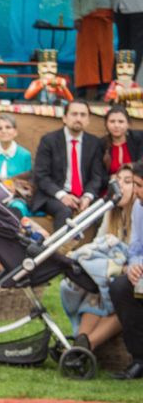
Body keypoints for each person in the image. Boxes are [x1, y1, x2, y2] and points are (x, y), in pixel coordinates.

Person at [60, 164, 134, 352]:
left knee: (123, 299)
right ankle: (80, 343)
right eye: (118, 181)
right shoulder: (111, 213)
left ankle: (86, 346)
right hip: (114, 276)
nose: (121, 186)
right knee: (96, 292)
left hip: (133, 277)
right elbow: (99, 246)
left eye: (128, 182)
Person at [31, 100, 105, 229]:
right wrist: (62, 195)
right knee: (64, 211)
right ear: (64, 118)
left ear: (88, 120)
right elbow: (41, 176)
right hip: (54, 195)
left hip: (83, 195)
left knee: (103, 209)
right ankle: (59, 249)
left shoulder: (94, 143)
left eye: (83, 115)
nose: (78, 118)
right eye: (74, 114)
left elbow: (96, 176)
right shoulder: (49, 141)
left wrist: (87, 196)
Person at [109, 159, 143, 380]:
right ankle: (140, 358)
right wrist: (133, 266)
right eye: (137, 185)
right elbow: (136, 245)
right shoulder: (139, 207)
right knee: (121, 287)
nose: (136, 192)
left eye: (140, 185)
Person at [72, 0, 114, 100]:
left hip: (107, 17)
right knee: (88, 55)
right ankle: (87, 90)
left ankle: (106, 89)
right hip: (89, 16)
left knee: (106, 54)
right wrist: (77, 16)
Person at [100, 105, 143, 176]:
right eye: (112, 121)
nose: (116, 125)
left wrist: (132, 167)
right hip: (111, 185)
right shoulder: (101, 144)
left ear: (128, 124)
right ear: (106, 124)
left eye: (121, 122)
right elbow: (99, 174)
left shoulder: (139, 138)